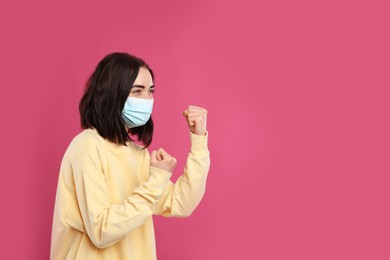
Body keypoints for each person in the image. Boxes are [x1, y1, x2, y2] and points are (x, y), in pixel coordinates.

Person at [50, 52, 210, 260]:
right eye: (137, 91)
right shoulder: (87, 146)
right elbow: (101, 231)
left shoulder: (137, 155)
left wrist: (198, 141)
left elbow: (182, 203)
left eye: (151, 91)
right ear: (113, 94)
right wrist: (155, 181)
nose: (148, 99)